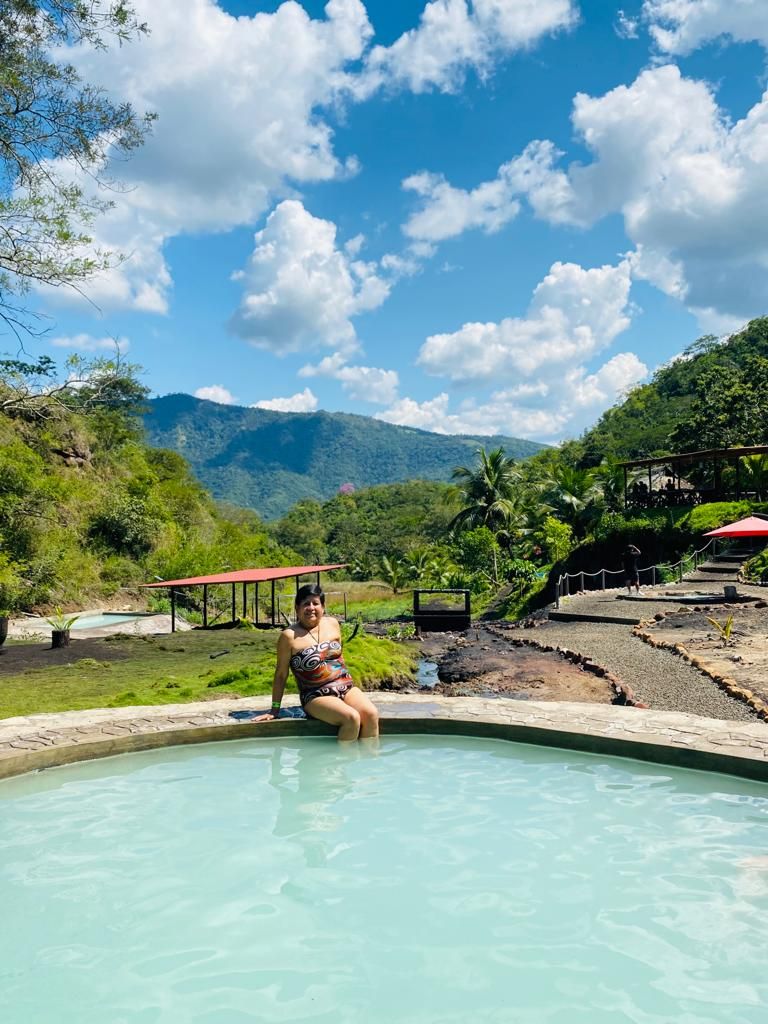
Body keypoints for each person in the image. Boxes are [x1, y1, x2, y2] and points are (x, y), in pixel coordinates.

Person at [256, 583, 379, 742]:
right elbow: (281, 674)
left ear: (323, 607)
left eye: (315, 603)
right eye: (306, 604)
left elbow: (338, 657)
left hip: (346, 687)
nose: (311, 608)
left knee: (371, 714)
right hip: (315, 695)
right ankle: (345, 758)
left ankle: (369, 756)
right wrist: (274, 709)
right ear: (297, 608)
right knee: (351, 718)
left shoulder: (333, 624)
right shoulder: (289, 636)